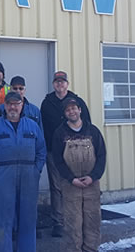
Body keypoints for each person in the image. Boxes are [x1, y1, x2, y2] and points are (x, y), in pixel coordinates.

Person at [0, 92, 47, 251]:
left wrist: (36, 170)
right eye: (10, 104)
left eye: (16, 104)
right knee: (4, 219)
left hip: (28, 177)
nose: (13, 107)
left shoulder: (32, 126)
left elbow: (41, 150)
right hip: (4, 176)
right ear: (4, 106)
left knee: (28, 218)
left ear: (22, 106)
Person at [40, 70, 91, 237]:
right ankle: (58, 222)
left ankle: (76, 220)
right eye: (57, 81)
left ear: (67, 84)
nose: (59, 84)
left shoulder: (78, 102)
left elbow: (88, 126)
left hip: (76, 151)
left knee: (75, 185)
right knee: (57, 187)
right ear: (53, 84)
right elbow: (42, 128)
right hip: (54, 152)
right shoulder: (47, 103)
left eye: (62, 82)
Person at [52, 98, 106, 252]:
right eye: (68, 110)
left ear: (80, 110)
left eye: (74, 108)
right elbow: (57, 160)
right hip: (70, 185)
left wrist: (93, 176)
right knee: (73, 224)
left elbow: (102, 156)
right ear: (65, 114)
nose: (72, 112)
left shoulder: (93, 131)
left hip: (92, 184)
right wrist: (71, 179)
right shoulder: (60, 133)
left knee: (92, 221)